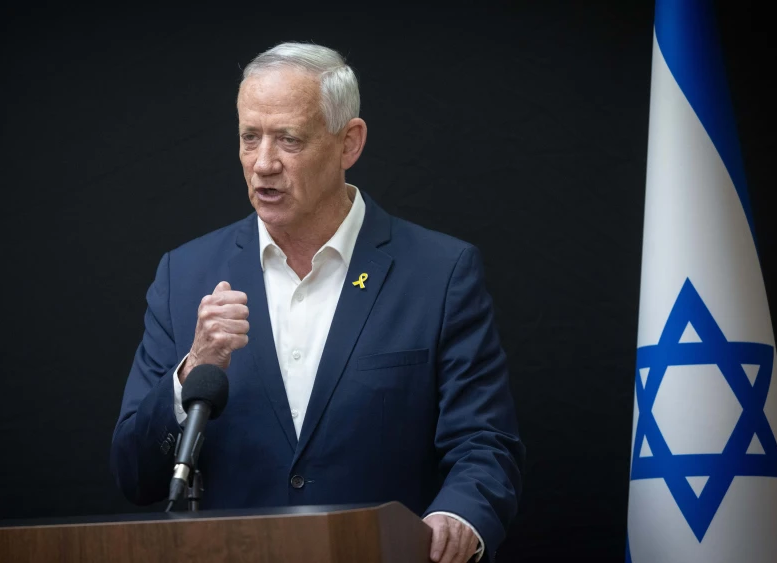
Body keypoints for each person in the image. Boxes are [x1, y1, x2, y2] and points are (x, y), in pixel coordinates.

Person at [111, 42, 524, 563]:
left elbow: (484, 443)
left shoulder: (440, 273)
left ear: (349, 143)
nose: (263, 164)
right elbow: (133, 473)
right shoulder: (185, 274)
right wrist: (194, 368)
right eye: (249, 138)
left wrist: (458, 516)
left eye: (289, 139)